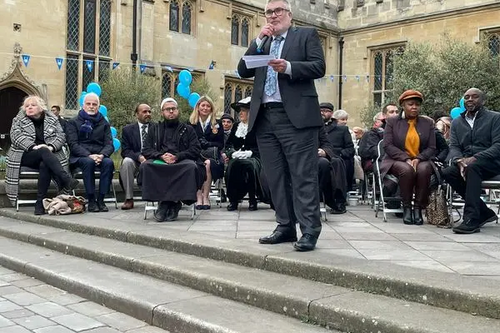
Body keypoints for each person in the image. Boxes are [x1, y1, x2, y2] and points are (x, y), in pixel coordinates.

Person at [237, 0, 325, 251]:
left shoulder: (305, 35)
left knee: (302, 176)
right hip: (265, 117)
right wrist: (256, 41)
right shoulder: (263, 41)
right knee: (275, 176)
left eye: (278, 11)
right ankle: (285, 225)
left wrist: (288, 67)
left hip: (296, 118)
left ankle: (309, 230)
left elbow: (319, 66)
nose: (273, 16)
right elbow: (243, 70)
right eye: (268, 12)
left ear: (289, 14)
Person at [6, 96, 78, 215]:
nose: (29, 107)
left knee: (45, 163)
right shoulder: (18, 120)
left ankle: (39, 203)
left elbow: (61, 136)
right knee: (44, 152)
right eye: (27, 106)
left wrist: (50, 146)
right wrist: (34, 147)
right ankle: (65, 179)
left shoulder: (53, 120)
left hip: (48, 156)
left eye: (33, 105)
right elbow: (16, 137)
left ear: (41, 108)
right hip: (25, 154)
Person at [442, 88, 500, 234]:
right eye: (467, 97)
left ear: (483, 100)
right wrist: (458, 160)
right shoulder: (457, 123)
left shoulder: (495, 118)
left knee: (473, 167)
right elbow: (454, 146)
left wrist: (474, 158)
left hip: (492, 162)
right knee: (448, 172)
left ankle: (471, 219)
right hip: (467, 162)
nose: (470, 100)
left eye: (474, 97)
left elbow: (498, 146)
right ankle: (484, 212)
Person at [138, 98, 205, 222]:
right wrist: (160, 156)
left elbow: (195, 149)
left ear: (177, 111)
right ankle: (168, 203)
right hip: (160, 160)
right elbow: (146, 149)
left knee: (191, 167)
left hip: (181, 160)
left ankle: (169, 203)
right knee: (146, 166)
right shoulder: (154, 129)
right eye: (168, 109)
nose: (171, 112)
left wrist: (177, 156)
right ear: (162, 112)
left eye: (173, 109)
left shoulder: (188, 129)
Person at [380, 90, 436, 225]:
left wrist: (419, 158)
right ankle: (406, 207)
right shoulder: (392, 121)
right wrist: (405, 158)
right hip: (396, 160)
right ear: (403, 106)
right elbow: (388, 145)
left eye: (417, 104)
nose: (414, 107)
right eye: (410, 104)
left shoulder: (427, 122)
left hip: (421, 159)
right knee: (407, 170)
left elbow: (432, 147)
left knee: (423, 170)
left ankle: (418, 208)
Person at [66, 92, 115, 213]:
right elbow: (73, 144)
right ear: (83, 106)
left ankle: (101, 200)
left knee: (108, 163)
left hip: (99, 155)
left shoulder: (104, 123)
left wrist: (102, 155)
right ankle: (91, 200)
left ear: (98, 107)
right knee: (89, 163)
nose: (91, 106)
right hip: (80, 156)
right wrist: (89, 155)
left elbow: (109, 144)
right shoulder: (73, 122)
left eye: (94, 104)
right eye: (88, 104)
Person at [225, 97, 262, 211]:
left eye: (243, 110)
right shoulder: (236, 126)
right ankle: (233, 200)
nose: (240, 113)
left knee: (249, 166)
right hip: (237, 157)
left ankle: (252, 199)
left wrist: (251, 152)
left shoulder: (257, 126)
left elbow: (263, 145)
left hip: (254, 157)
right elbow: (229, 144)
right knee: (233, 165)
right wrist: (232, 153)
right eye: (239, 111)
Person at [189, 96, 225, 210]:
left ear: (211, 108)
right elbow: (187, 142)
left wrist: (208, 144)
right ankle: (198, 196)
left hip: (212, 156)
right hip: (195, 155)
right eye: (203, 105)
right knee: (198, 165)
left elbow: (221, 144)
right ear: (198, 107)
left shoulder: (217, 124)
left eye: (208, 106)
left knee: (208, 164)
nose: (205, 108)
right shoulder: (191, 123)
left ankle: (206, 197)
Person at [119, 103, 152, 210]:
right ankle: (129, 199)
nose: (147, 114)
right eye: (144, 112)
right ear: (137, 114)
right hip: (136, 160)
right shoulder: (127, 130)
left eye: (149, 111)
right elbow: (125, 151)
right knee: (126, 162)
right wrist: (139, 157)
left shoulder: (157, 127)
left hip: (152, 159)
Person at [323, 104, 355, 193]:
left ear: (331, 113)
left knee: (339, 163)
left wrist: (340, 153)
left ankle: (339, 195)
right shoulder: (315, 128)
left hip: (338, 157)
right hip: (319, 156)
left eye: (327, 111)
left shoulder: (343, 130)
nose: (323, 113)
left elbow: (350, 149)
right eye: (321, 111)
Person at [318, 126, 348, 214]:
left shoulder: (319, 127)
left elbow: (327, 144)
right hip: (299, 156)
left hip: (319, 155)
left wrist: (324, 152)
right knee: (324, 164)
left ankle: (338, 199)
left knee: (336, 162)